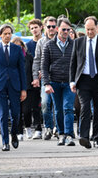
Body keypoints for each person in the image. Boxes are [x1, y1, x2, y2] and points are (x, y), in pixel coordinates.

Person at [70, 16, 98, 148]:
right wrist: (72, 81)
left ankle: (97, 137)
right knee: (85, 107)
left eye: (92, 29)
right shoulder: (78, 42)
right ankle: (84, 136)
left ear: (97, 28)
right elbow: (73, 63)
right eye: (87, 29)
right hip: (83, 80)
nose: (89, 32)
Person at [0, 24, 27, 151]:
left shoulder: (16, 49)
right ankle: (5, 142)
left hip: (15, 85)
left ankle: (14, 134)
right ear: (0, 35)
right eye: (5, 34)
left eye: (9, 33)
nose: (7, 36)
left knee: (15, 113)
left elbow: (22, 70)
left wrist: (23, 89)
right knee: (3, 114)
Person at [41, 17, 76, 146]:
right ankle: (61, 134)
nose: (65, 32)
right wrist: (46, 83)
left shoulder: (74, 45)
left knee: (68, 108)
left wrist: (76, 81)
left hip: (69, 82)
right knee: (58, 110)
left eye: (68, 29)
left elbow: (79, 64)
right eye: (63, 29)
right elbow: (44, 66)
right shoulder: (48, 45)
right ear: (57, 29)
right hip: (54, 82)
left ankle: (69, 135)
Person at [32, 16, 57, 140]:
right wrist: (36, 77)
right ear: (44, 27)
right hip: (45, 78)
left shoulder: (61, 40)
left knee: (59, 105)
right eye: (49, 26)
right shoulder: (41, 42)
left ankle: (58, 128)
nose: (51, 29)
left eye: (53, 26)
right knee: (45, 103)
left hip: (59, 77)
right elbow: (36, 61)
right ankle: (48, 127)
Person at [11, 37, 36, 141]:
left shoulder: (29, 57)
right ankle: (19, 131)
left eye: (19, 46)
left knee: (26, 110)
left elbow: (32, 70)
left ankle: (28, 127)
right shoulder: (10, 59)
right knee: (17, 111)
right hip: (14, 87)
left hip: (27, 87)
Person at [25, 19, 43, 139]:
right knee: (35, 105)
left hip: (47, 76)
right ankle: (37, 127)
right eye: (31, 28)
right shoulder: (28, 45)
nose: (34, 30)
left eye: (36, 27)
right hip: (33, 79)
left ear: (41, 27)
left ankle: (48, 127)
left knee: (47, 105)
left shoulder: (46, 42)